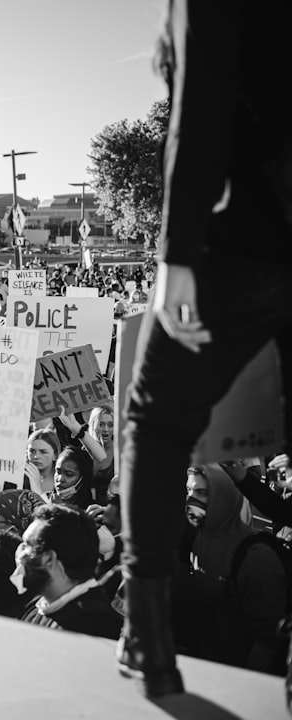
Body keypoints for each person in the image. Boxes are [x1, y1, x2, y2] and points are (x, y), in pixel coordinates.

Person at [117, 0, 292, 698]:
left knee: (155, 427)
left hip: (244, 242)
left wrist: (176, 251)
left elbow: (204, 99)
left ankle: (147, 639)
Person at [179, 465, 287, 673]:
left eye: (202, 492)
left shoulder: (255, 558)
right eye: (189, 491)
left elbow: (266, 642)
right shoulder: (197, 539)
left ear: (224, 498)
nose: (191, 500)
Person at [16, 503, 122, 640]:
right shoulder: (36, 607)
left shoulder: (95, 626)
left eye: (27, 546)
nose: (19, 554)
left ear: (49, 559)